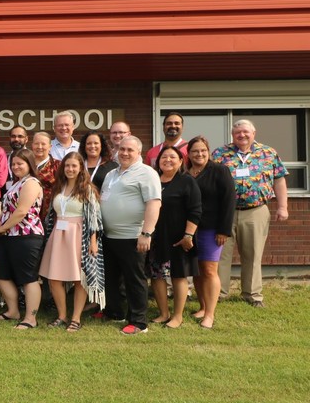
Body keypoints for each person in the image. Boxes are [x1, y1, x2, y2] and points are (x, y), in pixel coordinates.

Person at [212, 119, 289, 308]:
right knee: (221, 255)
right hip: (224, 212)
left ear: (253, 133)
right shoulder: (220, 153)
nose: (242, 135)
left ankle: (252, 294)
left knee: (253, 254)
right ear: (232, 135)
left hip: (256, 211)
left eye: (246, 132)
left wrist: (282, 206)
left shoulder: (268, 153)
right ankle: (219, 293)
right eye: (238, 132)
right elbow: (210, 181)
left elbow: (279, 180)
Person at [100, 136, 162, 335]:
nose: (125, 153)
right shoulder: (111, 174)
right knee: (111, 278)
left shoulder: (147, 173)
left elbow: (154, 203)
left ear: (139, 153)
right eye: (121, 149)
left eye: (130, 150)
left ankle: (138, 322)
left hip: (133, 236)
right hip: (109, 236)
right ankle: (114, 311)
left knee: (134, 280)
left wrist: (146, 233)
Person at [38, 151, 105, 332]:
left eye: (74, 166)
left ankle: (76, 318)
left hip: (79, 235)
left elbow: (94, 217)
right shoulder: (58, 187)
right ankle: (62, 315)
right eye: (67, 165)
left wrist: (93, 242)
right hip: (58, 235)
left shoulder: (88, 189)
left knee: (79, 278)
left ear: (80, 168)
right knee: (54, 278)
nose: (70, 169)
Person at [148, 145, 202, 328]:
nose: (167, 160)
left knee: (179, 275)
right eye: (164, 157)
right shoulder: (153, 180)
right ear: (158, 161)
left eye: (173, 157)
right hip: (156, 237)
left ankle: (177, 316)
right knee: (157, 275)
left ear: (180, 162)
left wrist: (188, 235)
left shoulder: (187, 181)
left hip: (179, 237)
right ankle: (164, 313)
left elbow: (195, 210)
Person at [0, 149, 45, 329]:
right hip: (8, 236)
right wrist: (0, 225)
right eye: (13, 164)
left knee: (28, 278)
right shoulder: (16, 183)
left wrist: (1, 228)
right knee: (0, 273)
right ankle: (13, 311)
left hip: (27, 236)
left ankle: (31, 318)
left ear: (29, 164)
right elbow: (6, 209)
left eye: (20, 163)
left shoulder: (31, 183)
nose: (15, 167)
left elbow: (21, 211)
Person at [186, 136, 235, 329]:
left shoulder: (220, 171)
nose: (199, 154)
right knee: (196, 270)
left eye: (203, 151)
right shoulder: (186, 173)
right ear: (188, 154)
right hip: (190, 229)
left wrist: (224, 229)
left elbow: (229, 201)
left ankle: (210, 314)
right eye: (195, 151)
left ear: (209, 152)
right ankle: (202, 306)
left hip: (212, 229)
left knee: (209, 270)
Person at [30, 131, 61, 218]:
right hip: (28, 213)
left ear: (50, 147)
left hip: (51, 212)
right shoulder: (25, 165)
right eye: (36, 144)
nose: (39, 147)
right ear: (32, 145)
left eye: (43, 144)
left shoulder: (58, 166)